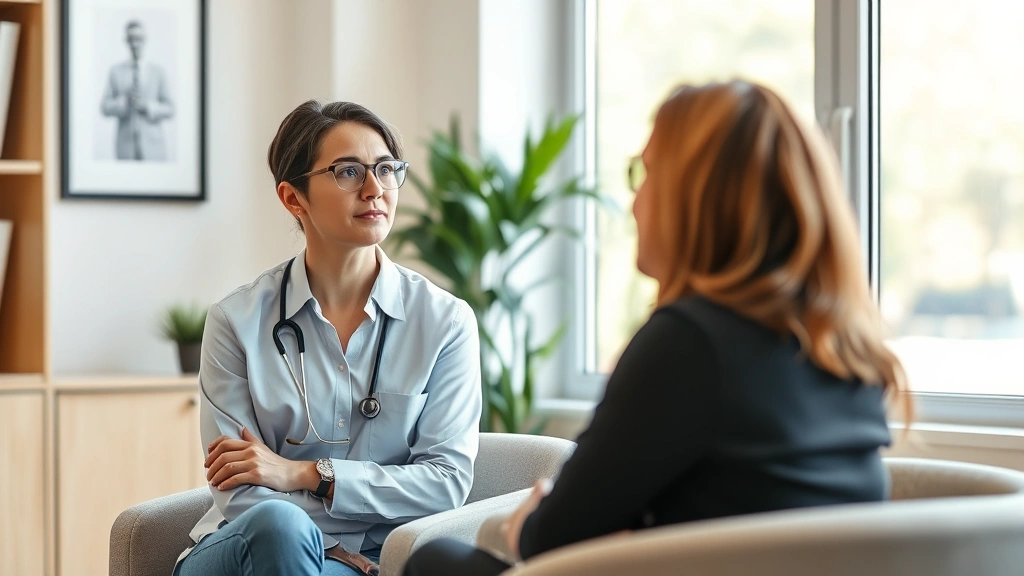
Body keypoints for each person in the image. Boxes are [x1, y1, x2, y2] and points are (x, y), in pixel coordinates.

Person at [403, 80, 910, 576]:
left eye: (644, 175)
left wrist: (531, 519)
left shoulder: (690, 342)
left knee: (433, 558)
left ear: (696, 199)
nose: (635, 202)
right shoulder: (845, 346)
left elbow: (552, 539)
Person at [174, 101, 482, 576]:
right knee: (279, 526)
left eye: (385, 169)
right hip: (242, 552)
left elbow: (444, 484)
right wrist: (329, 547)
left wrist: (307, 473)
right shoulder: (236, 321)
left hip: (376, 559)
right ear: (293, 198)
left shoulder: (445, 323)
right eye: (348, 172)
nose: (375, 189)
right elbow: (238, 488)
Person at [99, 20, 174, 161]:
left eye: (138, 39)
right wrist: (124, 101)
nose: (135, 44)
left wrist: (149, 106)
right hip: (125, 148)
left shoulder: (158, 72)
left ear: (144, 40)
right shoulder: (115, 71)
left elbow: (170, 109)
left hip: (154, 148)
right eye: (131, 39)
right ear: (126, 41)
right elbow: (104, 107)